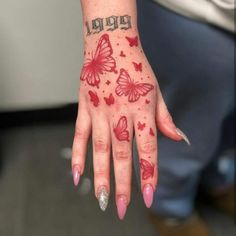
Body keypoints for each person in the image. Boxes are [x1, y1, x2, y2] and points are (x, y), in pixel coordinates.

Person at [71, 1, 235, 235]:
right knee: (181, 128)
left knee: (225, 115)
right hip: (188, 13)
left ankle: (219, 177)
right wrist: (110, 30)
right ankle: (171, 210)